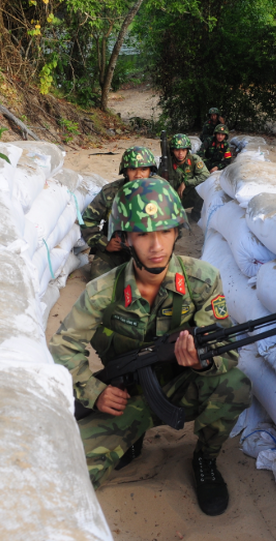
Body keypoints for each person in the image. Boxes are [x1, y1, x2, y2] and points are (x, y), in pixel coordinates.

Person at [49, 178, 251, 516]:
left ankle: (205, 459)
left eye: (165, 231)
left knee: (235, 385)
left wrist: (200, 362)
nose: (156, 245)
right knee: (68, 472)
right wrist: (93, 390)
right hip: (124, 397)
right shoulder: (102, 291)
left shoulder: (202, 280)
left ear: (177, 232)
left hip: (182, 386)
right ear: (126, 238)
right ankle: (131, 439)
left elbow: (226, 347)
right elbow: (63, 346)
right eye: (143, 234)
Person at [80, 146, 160, 280]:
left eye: (144, 169)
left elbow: (175, 226)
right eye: (133, 169)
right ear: (125, 171)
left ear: (150, 171)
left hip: (149, 250)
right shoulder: (111, 192)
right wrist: (105, 243)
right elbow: (88, 220)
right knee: (98, 281)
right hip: (117, 251)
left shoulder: (160, 193)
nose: (138, 175)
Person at [165, 133, 209, 222]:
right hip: (171, 200)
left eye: (183, 150)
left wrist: (186, 183)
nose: (180, 153)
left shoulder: (194, 160)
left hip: (188, 197)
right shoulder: (166, 165)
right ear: (172, 150)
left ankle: (196, 212)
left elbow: (206, 175)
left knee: (204, 187)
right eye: (177, 150)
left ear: (187, 150)